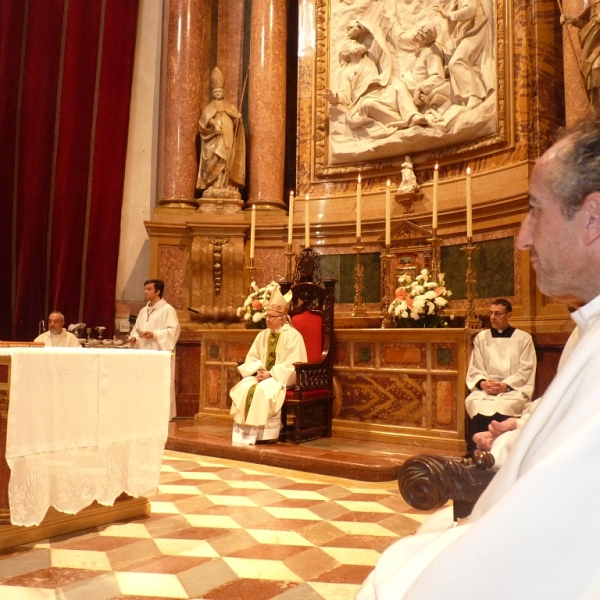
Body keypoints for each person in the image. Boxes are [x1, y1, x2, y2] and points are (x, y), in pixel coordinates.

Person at [357, 115, 600, 599]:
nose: (522, 238)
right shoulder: (587, 326)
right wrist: (515, 432)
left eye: (536, 212)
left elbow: (542, 547)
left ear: (593, 218)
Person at [230, 287, 307, 444]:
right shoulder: (262, 335)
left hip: (280, 378)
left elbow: (294, 364)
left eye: (272, 317)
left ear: (283, 318)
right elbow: (252, 357)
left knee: (264, 390)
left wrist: (271, 374)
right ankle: (244, 435)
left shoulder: (293, 336)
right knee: (244, 388)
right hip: (263, 375)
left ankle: (264, 435)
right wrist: (258, 370)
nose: (268, 319)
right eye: (267, 316)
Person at [465, 298, 536, 453]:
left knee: (507, 404)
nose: (493, 317)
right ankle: (476, 450)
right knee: (477, 402)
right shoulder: (482, 338)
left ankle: (501, 451)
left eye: (497, 314)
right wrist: (483, 383)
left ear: (508, 315)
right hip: (487, 389)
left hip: (512, 389)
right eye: (490, 313)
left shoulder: (523, 338)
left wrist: (505, 385)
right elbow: (476, 367)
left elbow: (526, 369)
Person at [129, 279, 181, 419]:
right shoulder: (143, 311)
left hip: (159, 352)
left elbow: (173, 331)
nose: (146, 291)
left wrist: (155, 334)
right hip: (143, 351)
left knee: (159, 384)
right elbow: (136, 329)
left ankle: (161, 414)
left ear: (158, 291)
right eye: (145, 289)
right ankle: (144, 412)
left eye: (149, 289)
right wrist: (134, 337)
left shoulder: (167, 310)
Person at [196, 67, 245, 197]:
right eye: (216, 91)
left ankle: (227, 183)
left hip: (228, 134)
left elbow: (236, 126)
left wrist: (238, 120)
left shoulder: (230, 107)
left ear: (223, 92)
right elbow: (204, 121)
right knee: (217, 156)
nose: (218, 93)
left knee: (228, 155)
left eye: (220, 91)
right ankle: (215, 183)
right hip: (215, 137)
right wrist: (214, 124)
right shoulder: (209, 107)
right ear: (213, 93)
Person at [433, 0, 489, 110]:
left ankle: (474, 95)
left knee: (457, 62)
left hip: (475, 33)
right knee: (455, 63)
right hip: (468, 34)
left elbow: (471, 10)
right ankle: (471, 96)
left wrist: (448, 15)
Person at [561, 0, 600, 112]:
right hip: (593, 47)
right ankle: (596, 113)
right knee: (594, 71)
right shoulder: (593, 3)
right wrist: (573, 20)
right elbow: (587, 23)